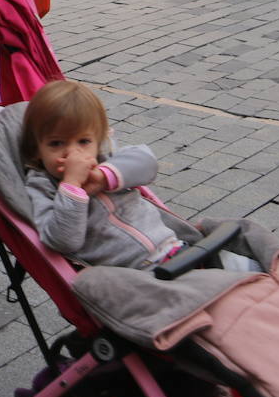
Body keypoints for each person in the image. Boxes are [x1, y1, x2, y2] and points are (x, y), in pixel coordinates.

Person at [21, 81, 184, 269]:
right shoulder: (42, 186)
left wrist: (103, 176)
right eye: (56, 143)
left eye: (83, 141)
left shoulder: (106, 159)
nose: (73, 154)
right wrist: (72, 186)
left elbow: (147, 163)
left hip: (172, 248)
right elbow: (63, 241)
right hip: (128, 273)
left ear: (98, 141)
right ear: (36, 150)